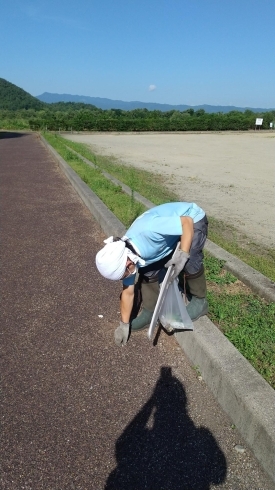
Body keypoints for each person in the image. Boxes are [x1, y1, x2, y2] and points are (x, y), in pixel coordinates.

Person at [96, 202, 208, 346]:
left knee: (190, 259)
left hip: (192, 218)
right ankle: (150, 311)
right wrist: (124, 325)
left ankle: (200, 300)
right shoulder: (127, 254)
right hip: (171, 230)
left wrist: (183, 253)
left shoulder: (149, 231)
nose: (126, 279)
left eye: (123, 275)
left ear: (127, 264)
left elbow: (186, 222)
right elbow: (128, 293)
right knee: (147, 270)